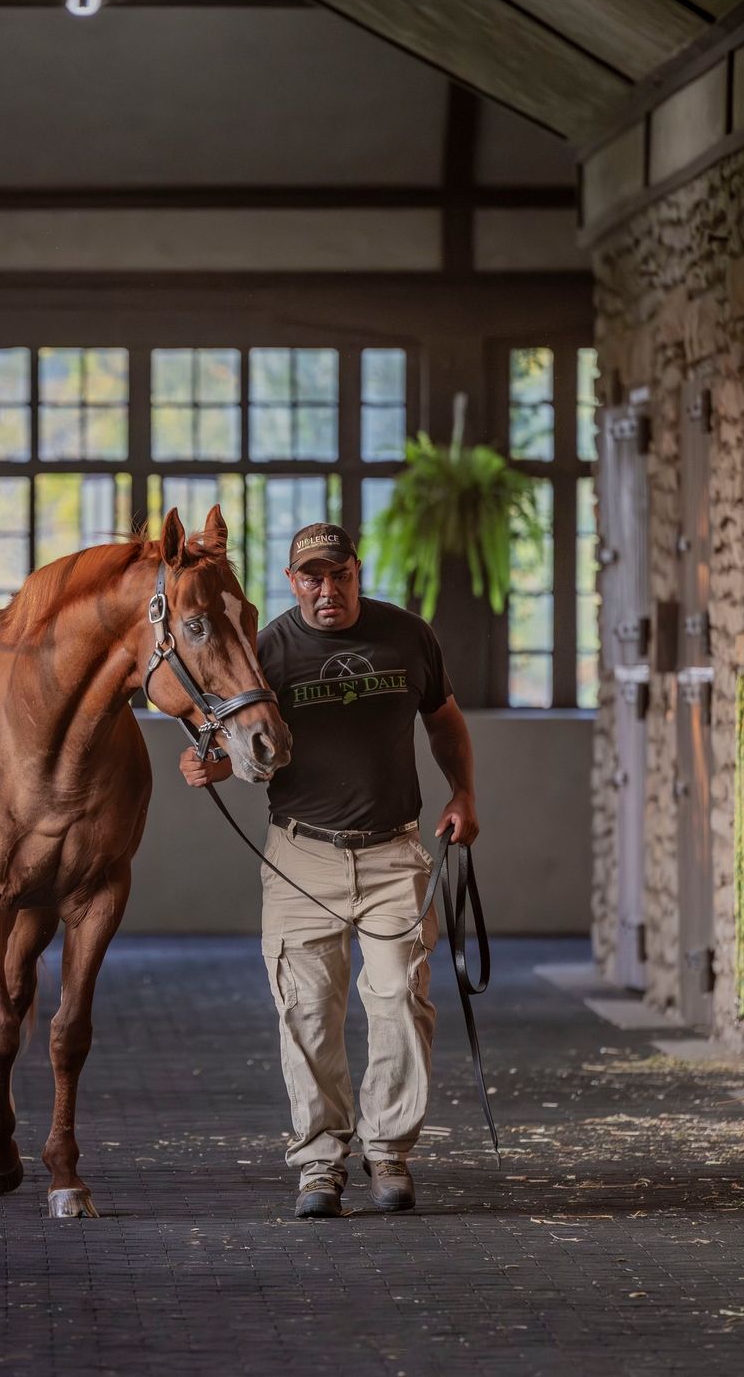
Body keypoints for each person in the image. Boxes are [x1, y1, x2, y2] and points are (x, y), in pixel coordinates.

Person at [179, 522, 479, 1219]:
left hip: (393, 853)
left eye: (338, 575)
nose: (326, 590)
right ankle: (319, 1165)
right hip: (299, 856)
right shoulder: (267, 651)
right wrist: (211, 765)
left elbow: (444, 719)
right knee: (307, 1014)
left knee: (401, 1001)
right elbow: (243, 747)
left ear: (357, 571)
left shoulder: (409, 636)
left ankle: (389, 1152)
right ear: (292, 583)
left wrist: (463, 793)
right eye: (311, 578)